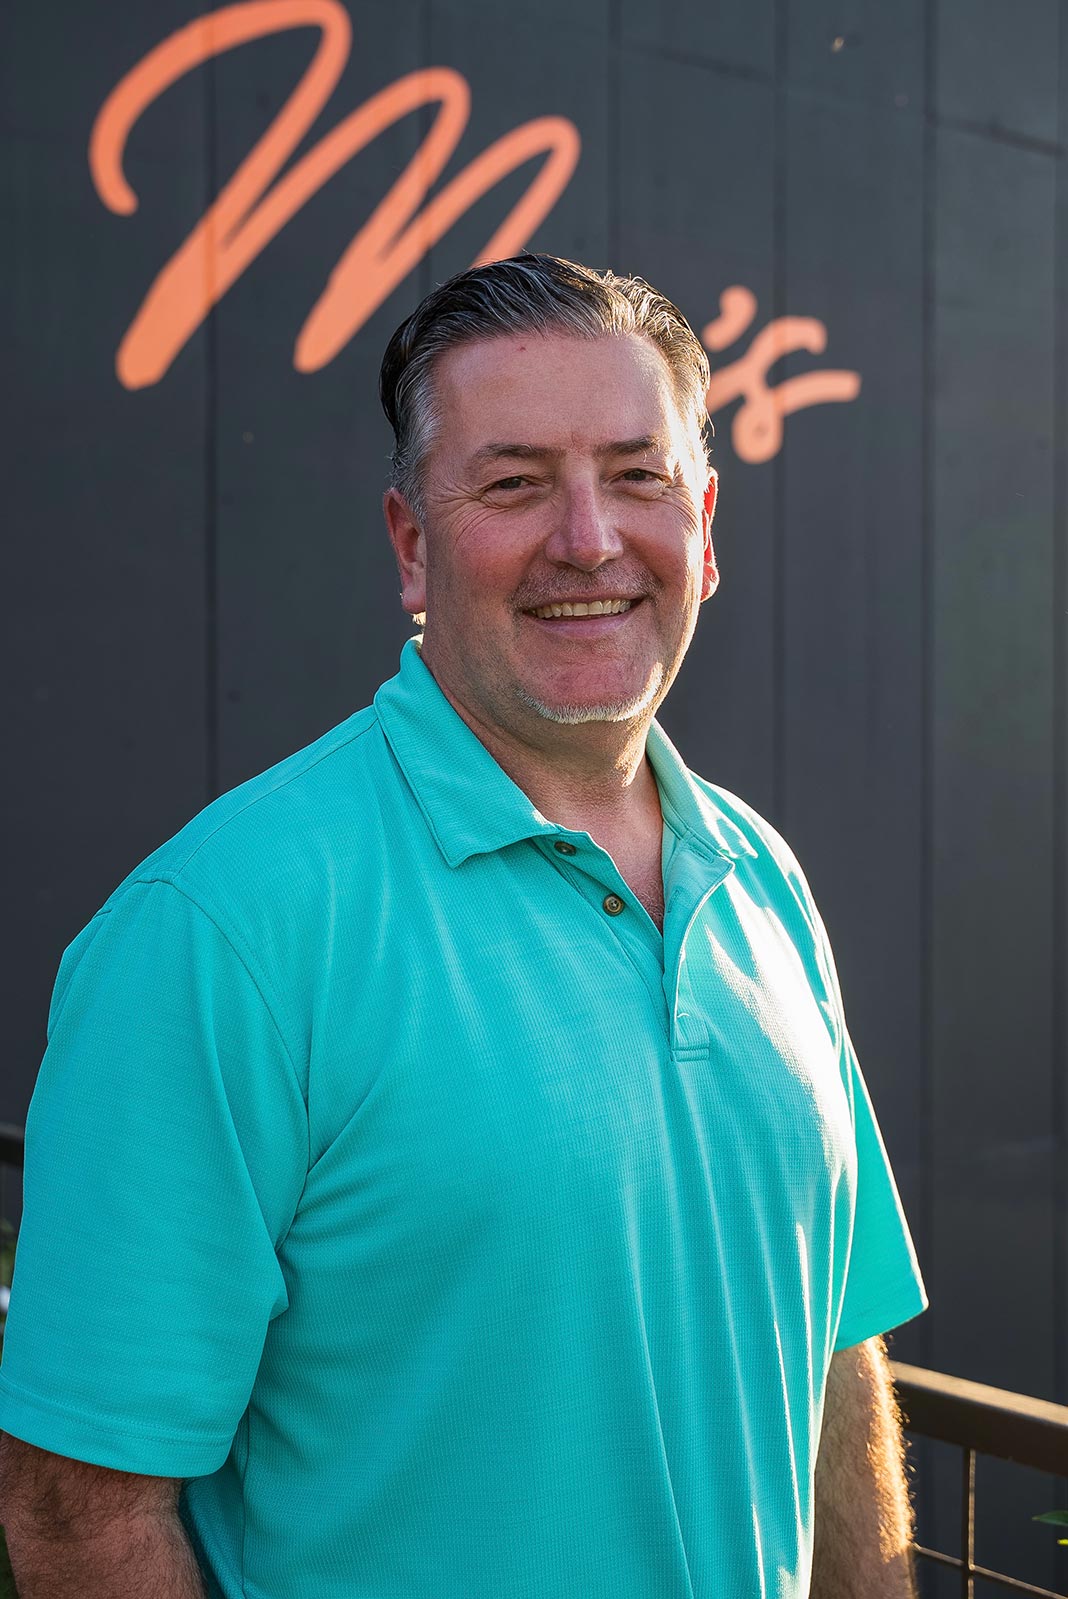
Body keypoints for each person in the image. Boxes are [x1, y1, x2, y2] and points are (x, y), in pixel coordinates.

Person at [0, 254, 926, 1598]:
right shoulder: (219, 931)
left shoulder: (762, 883)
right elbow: (81, 1509)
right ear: (411, 545)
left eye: (638, 475)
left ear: (707, 527)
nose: (590, 538)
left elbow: (833, 1357)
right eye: (512, 483)